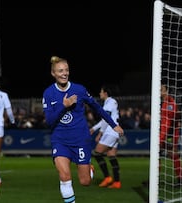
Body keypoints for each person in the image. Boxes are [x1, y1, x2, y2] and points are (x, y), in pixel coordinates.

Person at [42, 56, 124, 203]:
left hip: (80, 139)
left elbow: (97, 107)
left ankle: (89, 169)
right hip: (60, 140)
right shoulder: (48, 93)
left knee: (85, 182)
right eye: (60, 71)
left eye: (66, 70)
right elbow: (49, 121)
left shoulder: (79, 89)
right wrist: (63, 106)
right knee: (65, 176)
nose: (64, 73)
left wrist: (113, 124)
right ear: (53, 73)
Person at [89, 85, 122, 189]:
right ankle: (117, 182)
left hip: (110, 132)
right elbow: (105, 119)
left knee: (97, 153)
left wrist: (99, 133)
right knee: (111, 155)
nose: (100, 94)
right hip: (115, 131)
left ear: (105, 93)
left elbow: (106, 119)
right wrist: (94, 128)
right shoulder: (111, 102)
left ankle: (107, 177)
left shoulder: (109, 102)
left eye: (101, 92)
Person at [159, 84, 182, 187]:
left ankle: (180, 180)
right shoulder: (161, 102)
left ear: (166, 91)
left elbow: (171, 122)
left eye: (161, 90)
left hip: (170, 134)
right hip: (164, 133)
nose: (159, 91)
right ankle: (154, 179)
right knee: (157, 155)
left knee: (173, 155)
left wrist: (165, 137)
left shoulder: (170, 103)